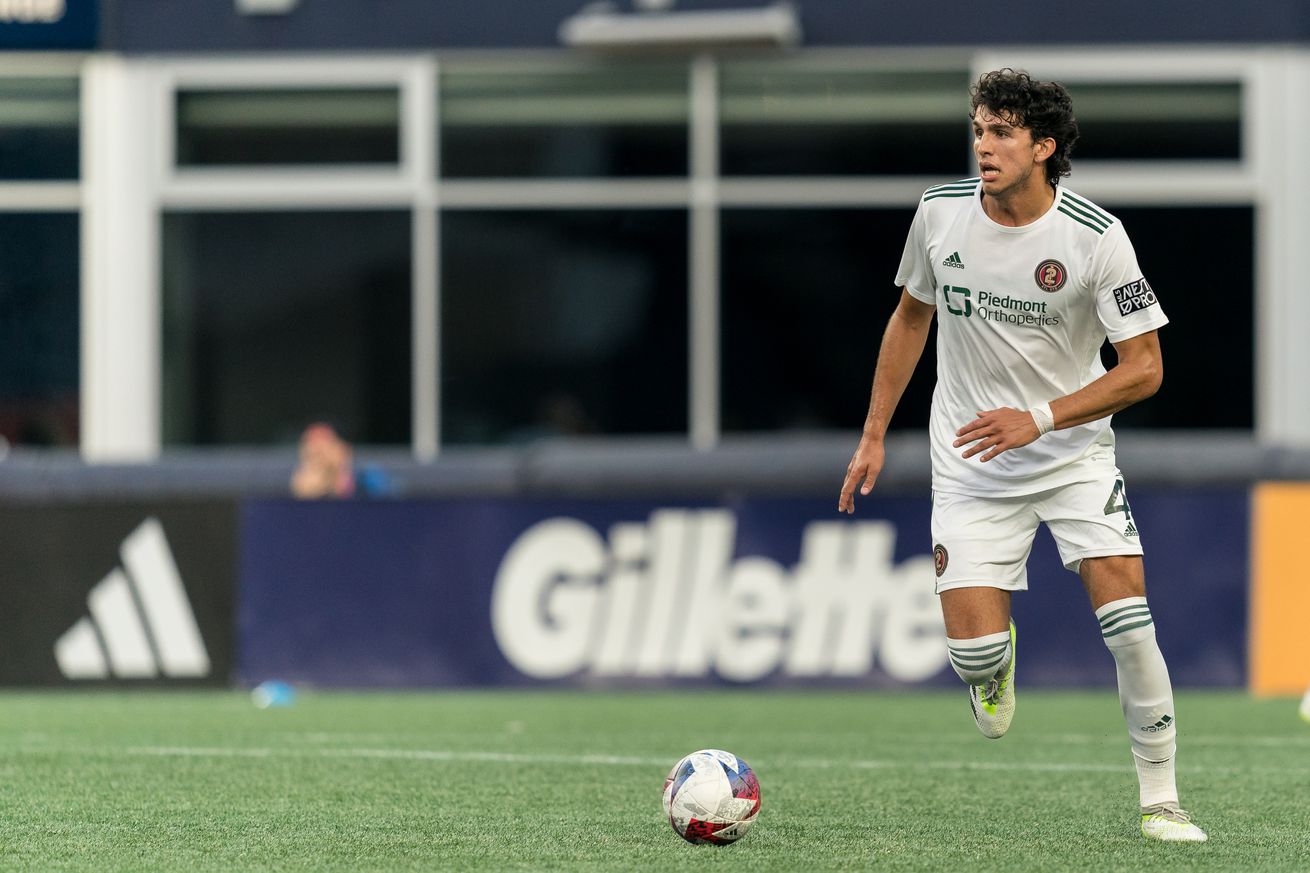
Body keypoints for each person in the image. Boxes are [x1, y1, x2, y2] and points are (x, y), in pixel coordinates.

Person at [838, 69, 1206, 843]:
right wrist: (873, 432)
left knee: (1130, 622)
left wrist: (1038, 419)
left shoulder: (1094, 237)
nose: (984, 145)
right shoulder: (939, 216)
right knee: (974, 661)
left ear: (1044, 147)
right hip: (972, 462)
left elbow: (1145, 367)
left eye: (1001, 132)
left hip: (1070, 455)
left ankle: (1162, 799)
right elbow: (909, 319)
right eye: (978, 129)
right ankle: (991, 665)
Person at [290, 422, 356, 499]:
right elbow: (302, 488)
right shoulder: (306, 476)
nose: (318, 448)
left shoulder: (338, 457)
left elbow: (343, 488)